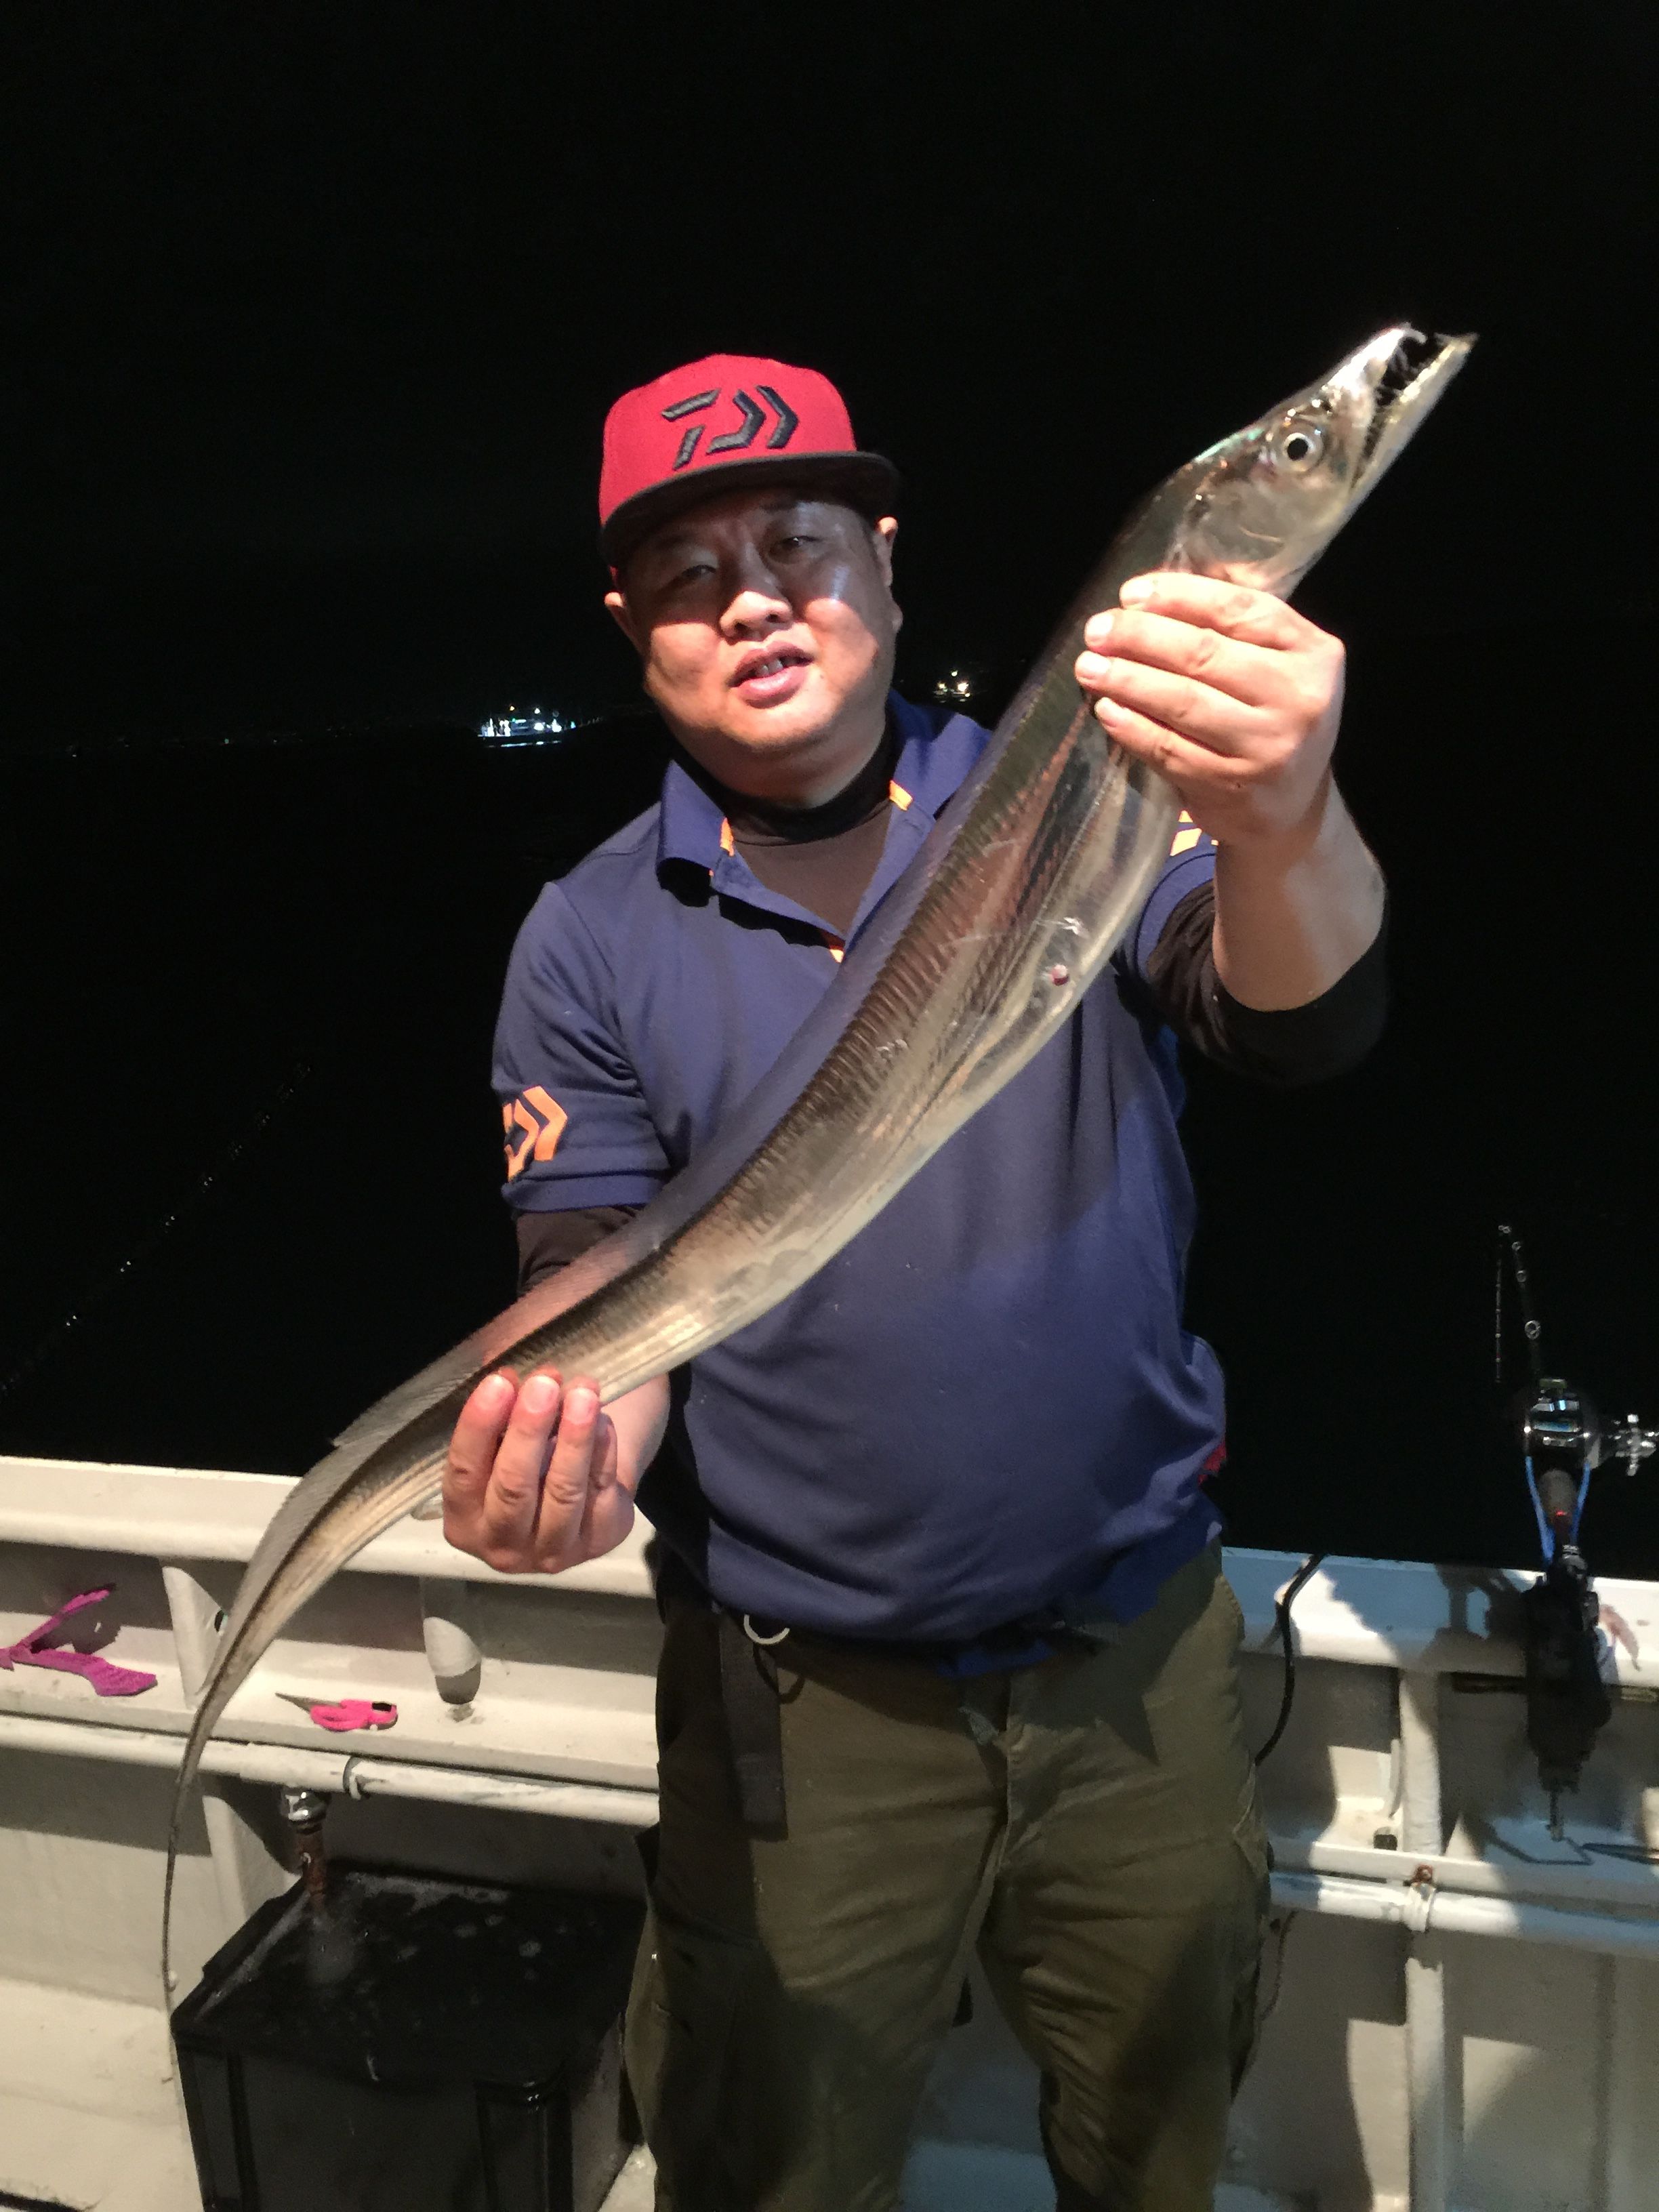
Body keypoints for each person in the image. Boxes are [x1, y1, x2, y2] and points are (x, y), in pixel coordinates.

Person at [441, 354, 1386, 2211]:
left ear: (882, 556)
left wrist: (1286, 818)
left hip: (1138, 1659)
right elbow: (593, 1277)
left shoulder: (1088, 779)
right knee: (770, 2163)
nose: (754, 600)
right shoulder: (591, 935)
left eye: (795, 542)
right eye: (691, 573)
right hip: (801, 1707)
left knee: (1159, 2143)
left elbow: (1297, 1019)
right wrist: (569, 1441)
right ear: (632, 626)